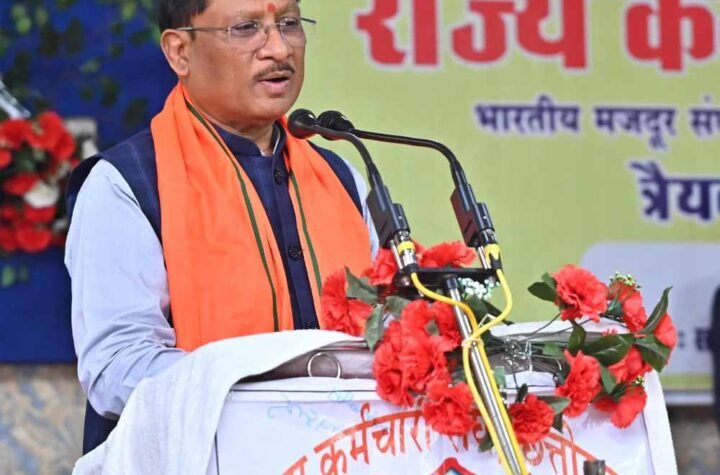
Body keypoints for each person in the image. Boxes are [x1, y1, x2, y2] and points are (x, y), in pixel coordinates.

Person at [65, 0, 378, 454]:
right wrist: (271, 385)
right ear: (180, 52)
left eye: (289, 24)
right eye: (247, 28)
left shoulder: (340, 176)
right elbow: (117, 368)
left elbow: (388, 332)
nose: (278, 49)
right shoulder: (127, 183)